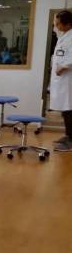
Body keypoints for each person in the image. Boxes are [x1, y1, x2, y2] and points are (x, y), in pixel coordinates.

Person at [50, 10, 72, 152]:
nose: (56, 26)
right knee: (65, 109)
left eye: (58, 24)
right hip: (62, 79)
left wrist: (63, 67)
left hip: (68, 79)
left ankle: (71, 140)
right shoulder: (64, 36)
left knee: (69, 109)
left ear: (68, 24)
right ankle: (68, 135)